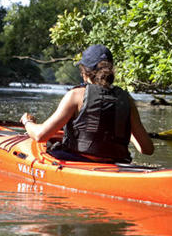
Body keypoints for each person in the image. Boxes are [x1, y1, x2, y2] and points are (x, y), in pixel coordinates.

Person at [20, 44, 154, 163]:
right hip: (117, 163)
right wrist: (127, 131)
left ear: (84, 72)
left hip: (78, 161)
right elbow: (147, 149)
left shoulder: (76, 95)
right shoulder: (126, 99)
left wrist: (27, 122)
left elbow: (40, 135)